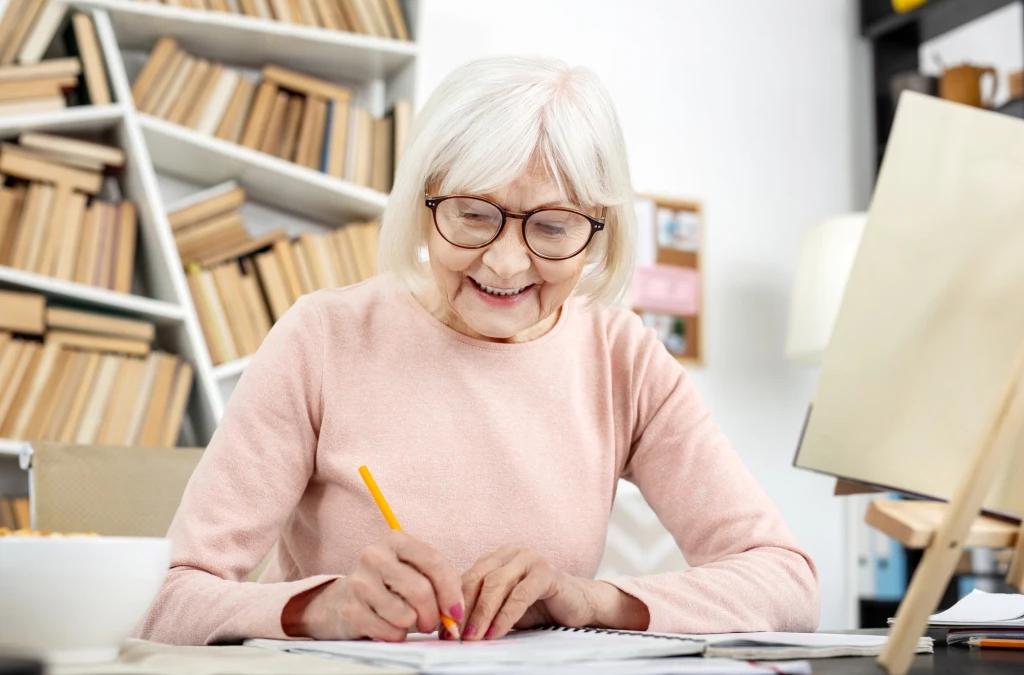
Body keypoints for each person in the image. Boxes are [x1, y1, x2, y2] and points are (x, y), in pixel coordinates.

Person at [138, 54, 818, 646]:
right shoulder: (323, 337)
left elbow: (785, 581)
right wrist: (325, 607)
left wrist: (589, 600)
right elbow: (164, 598)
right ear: (423, 199)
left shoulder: (623, 359)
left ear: (600, 230)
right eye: (472, 213)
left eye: (552, 226)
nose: (505, 262)